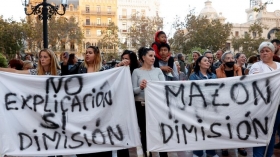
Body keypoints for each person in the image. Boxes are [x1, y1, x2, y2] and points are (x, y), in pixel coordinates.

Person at [61, 46, 111, 157]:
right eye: (86, 52)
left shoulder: (104, 70)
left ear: (96, 55)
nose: (87, 54)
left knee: (97, 135)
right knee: (83, 136)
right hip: (82, 107)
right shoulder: (80, 66)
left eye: (90, 53)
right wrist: (65, 63)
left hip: (98, 109)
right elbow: (65, 77)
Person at [132, 47, 165, 157]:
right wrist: (140, 87)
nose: (153, 58)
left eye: (154, 56)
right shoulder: (136, 72)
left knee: (160, 132)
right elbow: (132, 91)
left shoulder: (158, 70)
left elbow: (164, 87)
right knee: (145, 133)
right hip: (142, 106)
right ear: (143, 57)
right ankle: (148, 154)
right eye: (150, 56)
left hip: (156, 106)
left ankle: (163, 154)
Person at [249, 42, 280, 157]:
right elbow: (258, 80)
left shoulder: (279, 65)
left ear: (272, 53)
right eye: (262, 51)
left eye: (267, 50)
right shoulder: (256, 66)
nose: (264, 53)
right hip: (262, 106)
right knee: (260, 132)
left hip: (277, 106)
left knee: (272, 133)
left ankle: (269, 154)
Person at [215, 51, 246, 156]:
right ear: (223, 60)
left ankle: (240, 146)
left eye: (232, 58)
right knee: (225, 124)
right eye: (228, 58)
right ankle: (225, 147)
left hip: (237, 101)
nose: (230, 60)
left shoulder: (238, 69)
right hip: (223, 101)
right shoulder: (217, 71)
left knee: (238, 123)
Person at [189, 56, 218, 157]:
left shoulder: (213, 76)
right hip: (198, 107)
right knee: (199, 130)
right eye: (205, 61)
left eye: (208, 61)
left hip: (211, 107)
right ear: (199, 63)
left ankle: (211, 152)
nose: (208, 62)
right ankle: (198, 152)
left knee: (211, 129)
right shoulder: (193, 76)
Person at [116, 50, 139, 157]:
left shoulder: (136, 71)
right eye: (123, 58)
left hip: (133, 105)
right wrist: (119, 67)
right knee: (122, 132)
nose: (124, 60)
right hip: (120, 105)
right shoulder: (118, 69)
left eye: (127, 58)